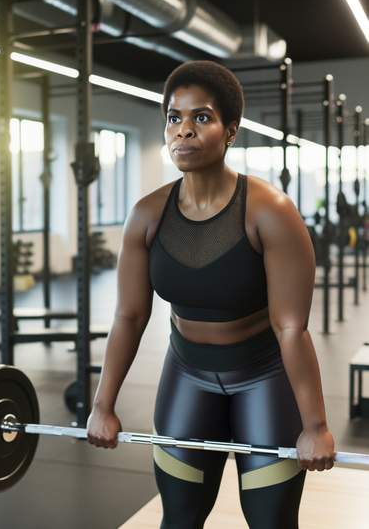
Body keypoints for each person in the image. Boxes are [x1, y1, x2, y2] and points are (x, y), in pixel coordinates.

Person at [86, 60, 335, 529]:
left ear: (231, 130)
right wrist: (103, 405)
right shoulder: (146, 216)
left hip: (263, 377)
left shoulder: (270, 212)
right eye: (174, 118)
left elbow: (291, 327)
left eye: (201, 117)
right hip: (187, 375)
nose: (183, 130)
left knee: (271, 523)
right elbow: (129, 318)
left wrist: (315, 426)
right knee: (178, 520)